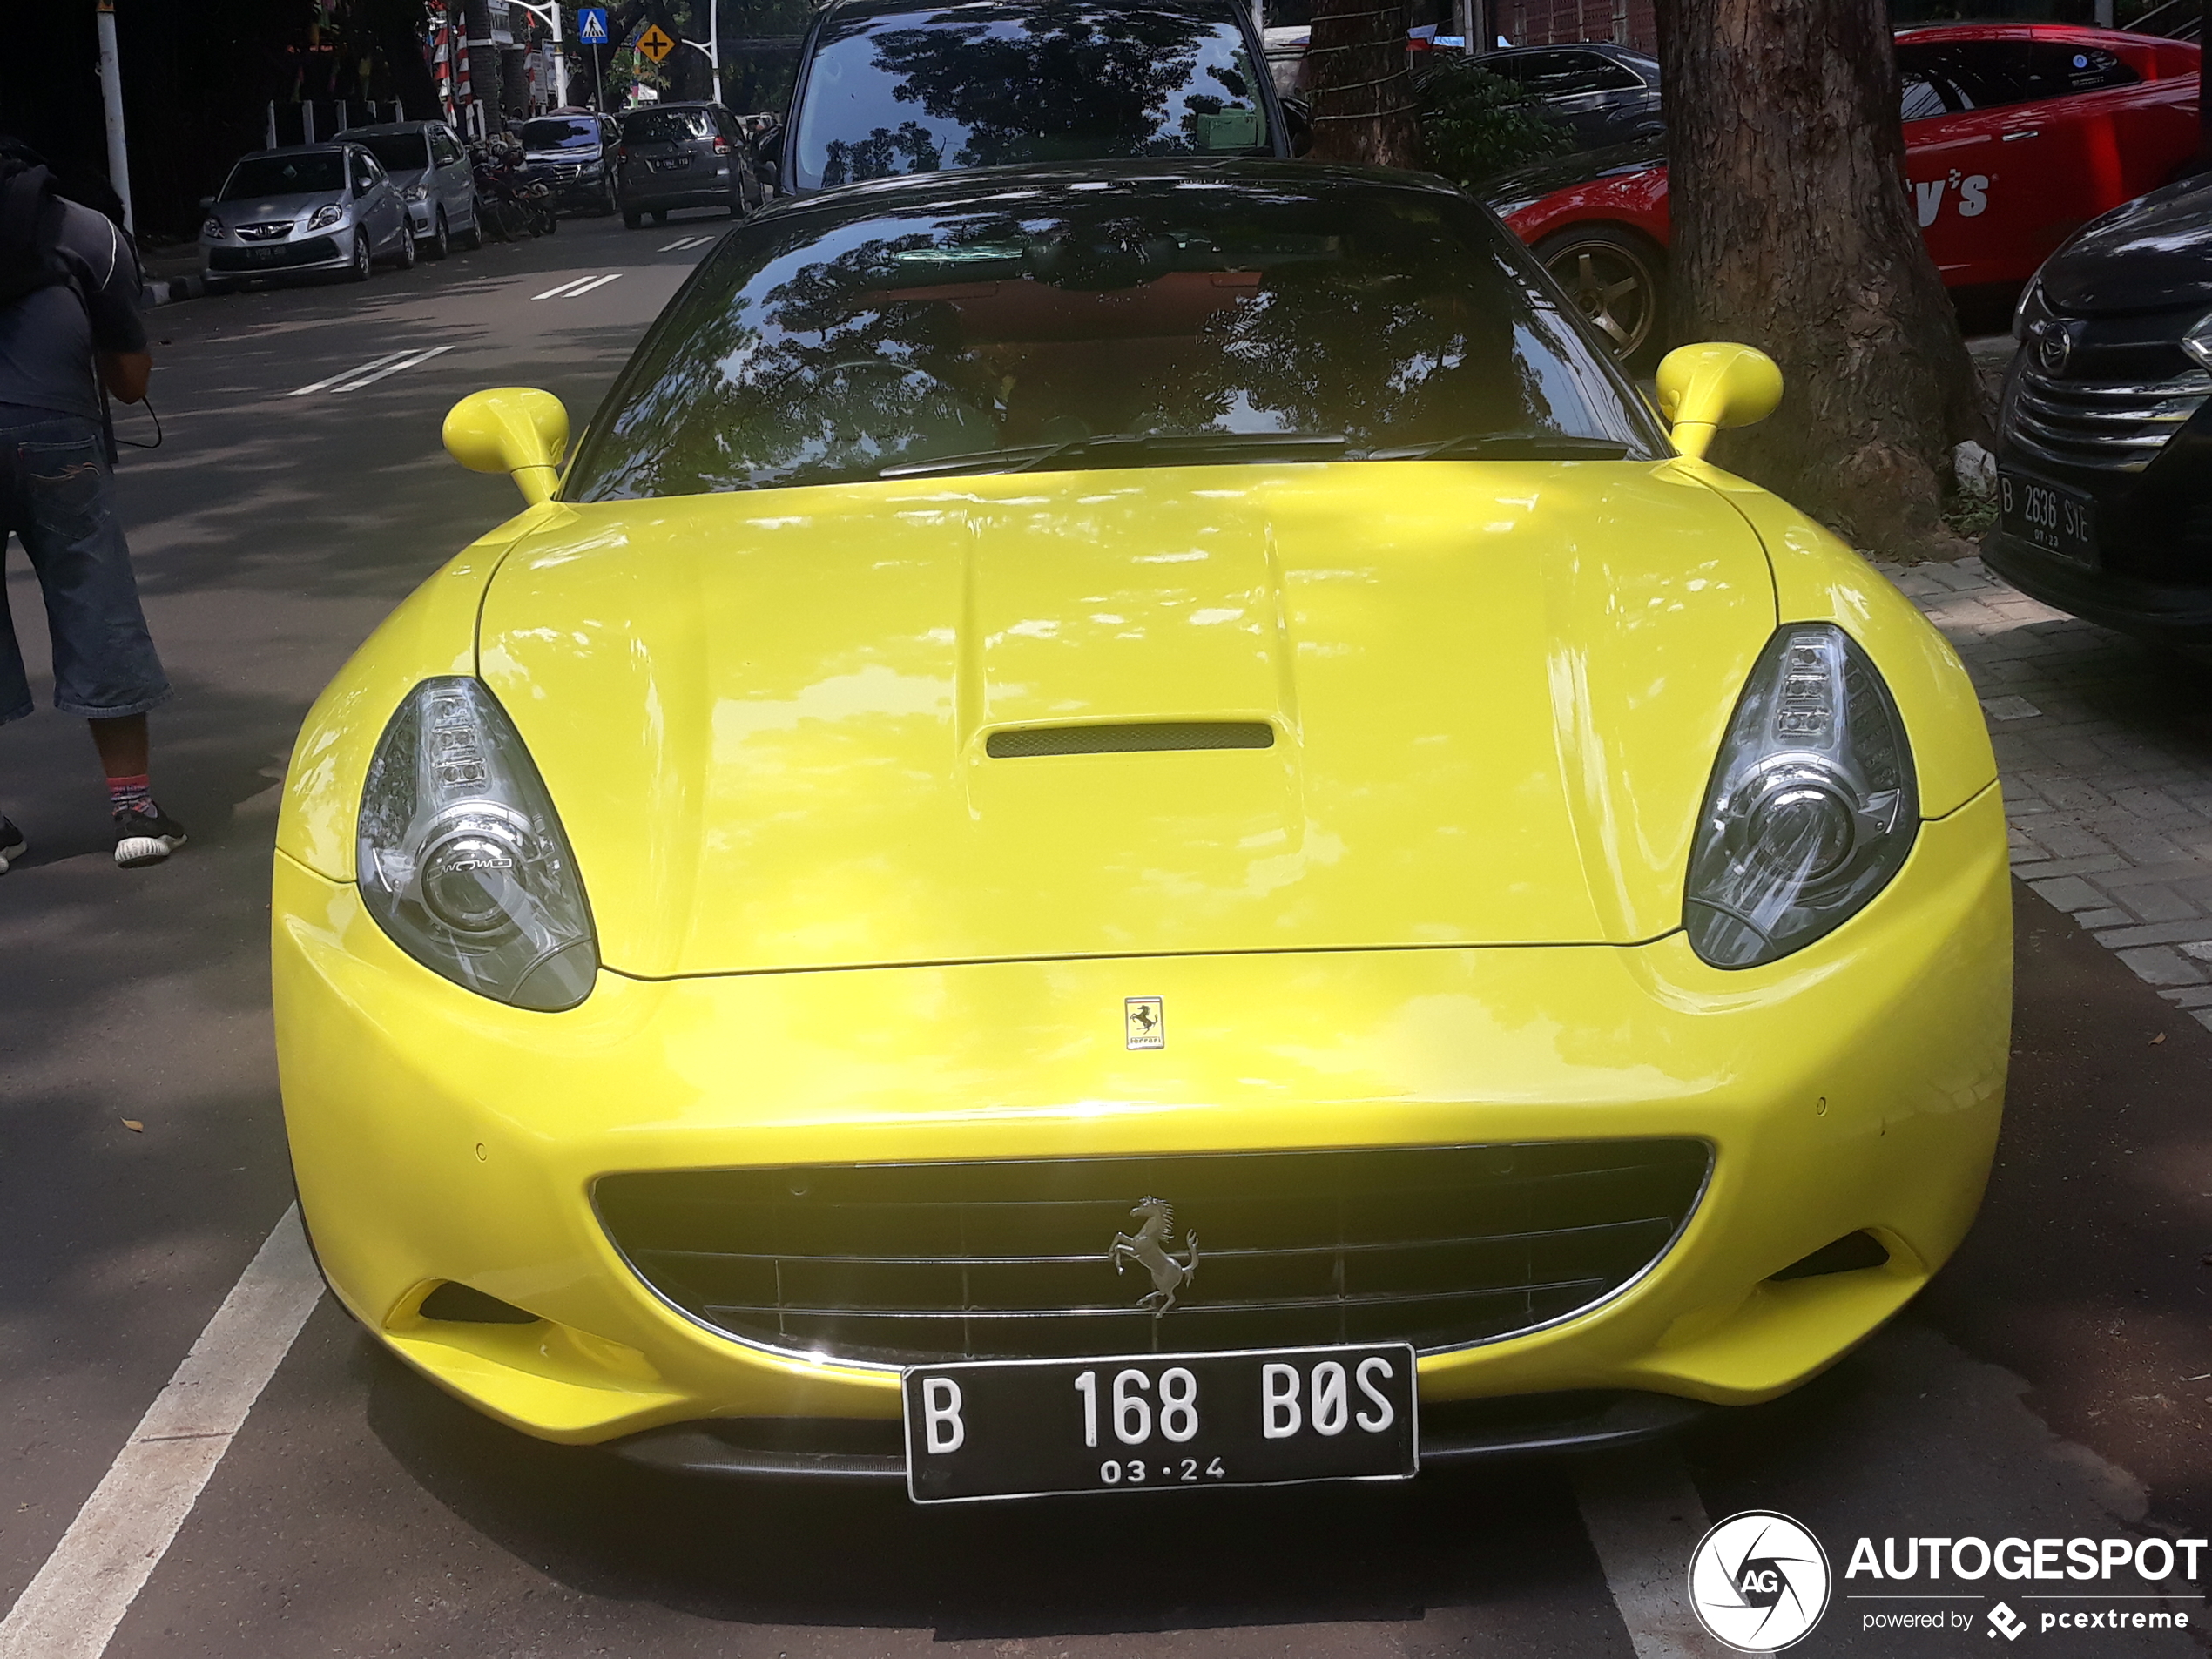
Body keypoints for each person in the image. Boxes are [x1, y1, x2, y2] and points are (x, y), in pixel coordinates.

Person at [0, 138, 184, 872]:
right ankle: (134, 809)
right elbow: (131, 381)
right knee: (93, 600)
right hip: (58, 440)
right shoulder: (85, 231)